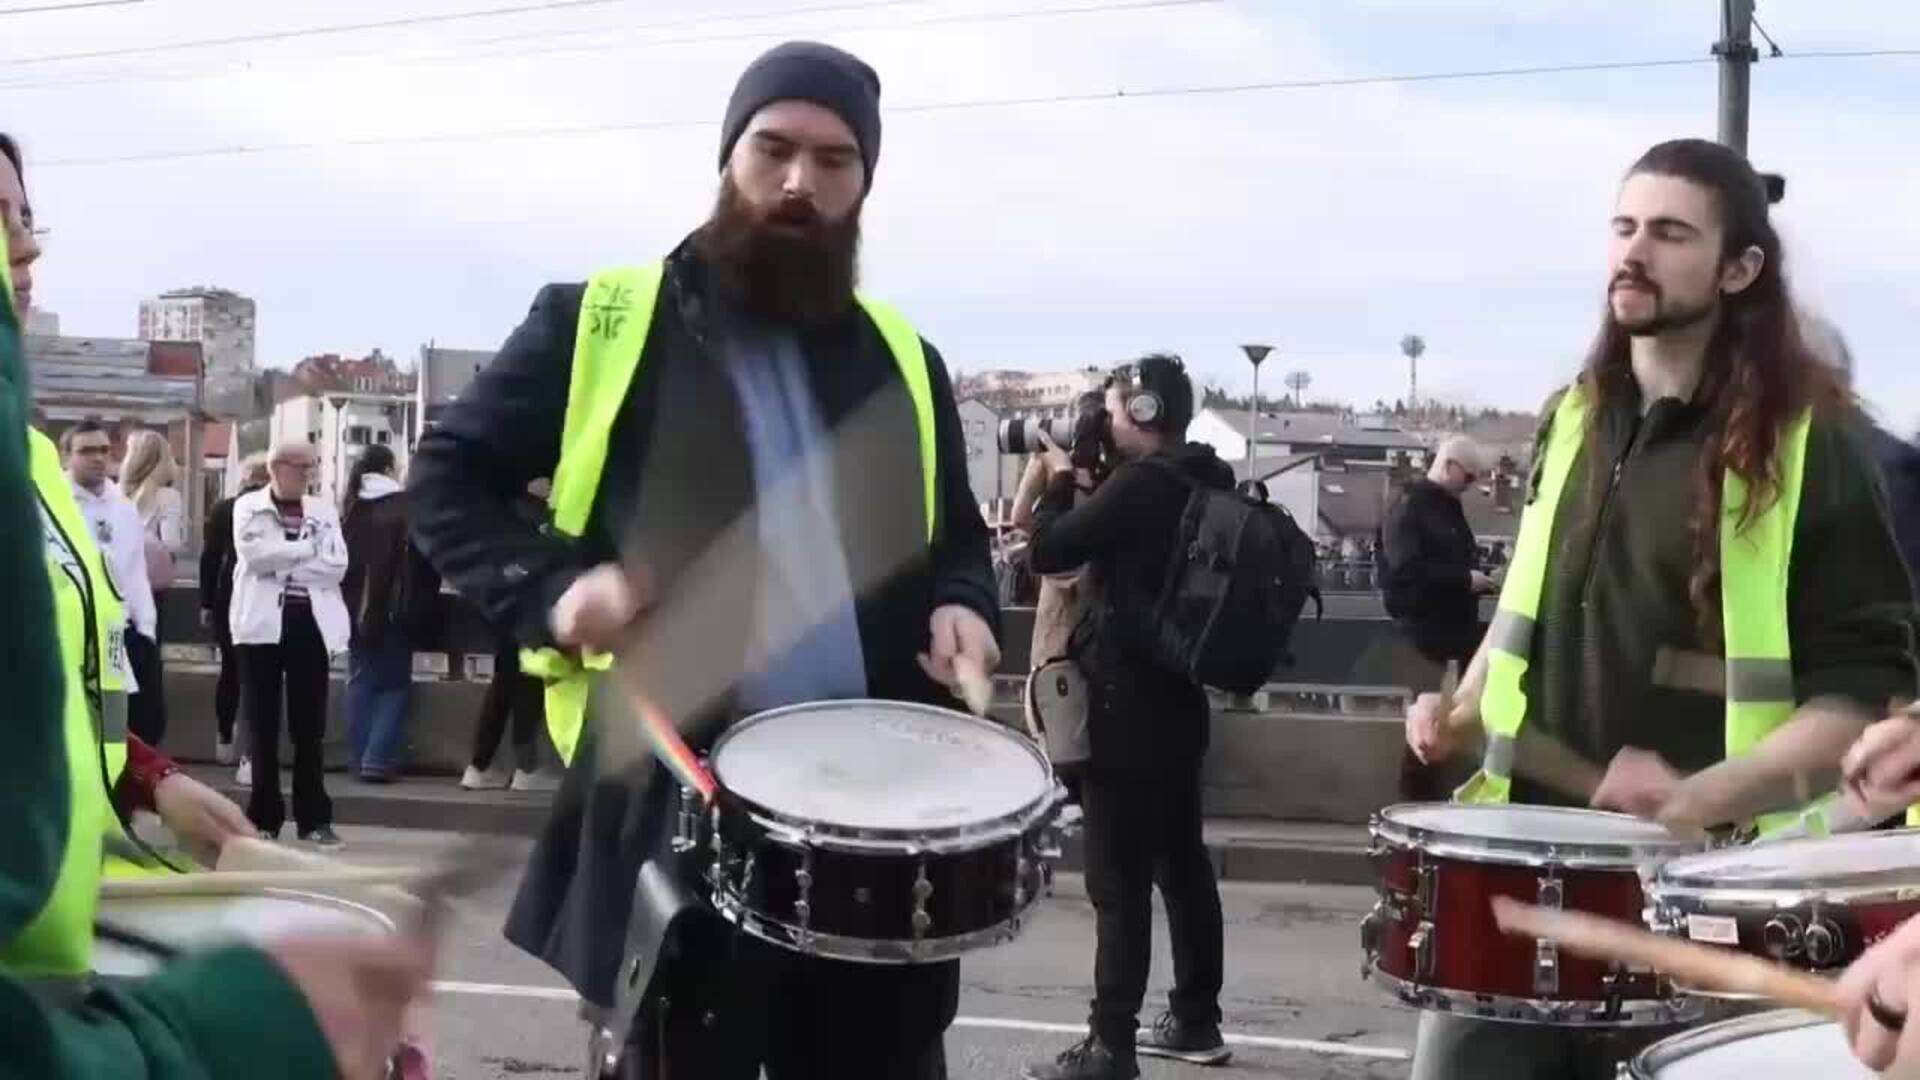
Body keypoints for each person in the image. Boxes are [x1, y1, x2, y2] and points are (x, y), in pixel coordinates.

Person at [407, 41, 999, 1079]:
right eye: (772, 149)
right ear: (729, 156)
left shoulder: (906, 358)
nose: (798, 185)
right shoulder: (599, 320)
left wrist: (963, 603)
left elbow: (956, 535)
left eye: (834, 160)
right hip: (680, 814)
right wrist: (554, 592)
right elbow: (446, 480)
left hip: (873, 830)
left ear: (865, 184)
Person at [1402, 138, 1917, 1079]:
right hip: (1524, 877)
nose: (1634, 252)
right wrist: (1460, 708)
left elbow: (1857, 699)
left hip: (1708, 900)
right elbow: (1523, 609)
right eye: (1625, 227)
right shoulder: (1573, 416)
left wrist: (1696, 800)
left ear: (1739, 269)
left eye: (1672, 233)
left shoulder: (1816, 443)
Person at [1, 130, 434, 1080]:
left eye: (26, 218)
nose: (24, 251)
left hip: (58, 951)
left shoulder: (25, 466)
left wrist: (149, 780)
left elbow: (88, 677)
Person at [1022, 355, 1232, 1080]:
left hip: (1122, 709)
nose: (1104, 423)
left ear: (1142, 413)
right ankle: (1196, 1019)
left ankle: (1110, 1045)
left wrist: (1056, 480)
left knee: (1118, 884)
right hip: (1180, 704)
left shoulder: (1139, 487)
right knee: (1183, 867)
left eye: (1112, 410)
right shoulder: (1206, 476)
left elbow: (1047, 550)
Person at [231, 441, 348, 848]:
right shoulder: (248, 507)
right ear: (277, 467)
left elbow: (337, 565)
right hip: (260, 627)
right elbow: (255, 555)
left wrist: (287, 561)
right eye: (303, 467)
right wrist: (303, 551)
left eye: (313, 467)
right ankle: (263, 816)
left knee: (309, 726)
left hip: (308, 624)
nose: (310, 475)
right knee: (261, 724)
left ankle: (314, 817)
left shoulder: (324, 510)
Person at [1381, 434, 1496, 800]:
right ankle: (1414, 813)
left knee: (1437, 732)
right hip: (1422, 638)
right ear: (1448, 466)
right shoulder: (1409, 508)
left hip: (1449, 636)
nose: (1472, 485)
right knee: (1425, 734)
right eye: (1469, 477)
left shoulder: (1443, 506)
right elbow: (1404, 575)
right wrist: (1465, 580)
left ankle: (1424, 809)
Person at [341, 444, 438, 783]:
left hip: (352, 611)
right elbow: (427, 561)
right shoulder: (407, 507)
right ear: (388, 469)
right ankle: (377, 759)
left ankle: (360, 757)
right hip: (396, 610)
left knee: (360, 682)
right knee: (394, 686)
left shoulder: (351, 507)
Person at [62, 421, 160, 743]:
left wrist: (145, 629)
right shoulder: (52, 505)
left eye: (104, 450)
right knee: (79, 730)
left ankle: (118, 791)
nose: (98, 458)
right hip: (74, 636)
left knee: (125, 729)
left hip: (120, 634)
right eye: (86, 450)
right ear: (67, 458)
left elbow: (135, 573)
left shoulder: (123, 508)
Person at [460, 477, 555, 792]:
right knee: (527, 690)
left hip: (502, 611)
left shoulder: (501, 512)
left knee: (503, 689)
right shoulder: (536, 515)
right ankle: (525, 768)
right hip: (528, 612)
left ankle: (481, 765)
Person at [119, 428, 184, 748]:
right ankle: (146, 736)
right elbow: (173, 541)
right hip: (151, 588)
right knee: (149, 659)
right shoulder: (167, 497)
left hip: (116, 585)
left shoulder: (115, 494)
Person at [202, 452, 269, 766]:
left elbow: (209, 559)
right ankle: (251, 747)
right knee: (258, 675)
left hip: (227, 599)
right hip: (263, 601)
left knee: (229, 670)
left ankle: (224, 736)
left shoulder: (223, 510)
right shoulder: (273, 512)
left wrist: (205, 603)